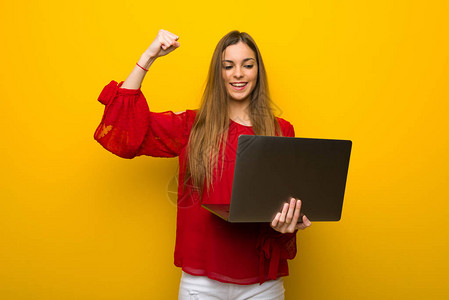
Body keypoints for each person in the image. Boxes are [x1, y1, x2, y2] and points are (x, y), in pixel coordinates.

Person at [94, 29, 311, 300]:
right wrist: (148, 57)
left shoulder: (281, 131)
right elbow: (122, 133)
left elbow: (282, 204)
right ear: (218, 74)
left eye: (247, 65)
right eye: (228, 66)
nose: (238, 74)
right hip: (201, 285)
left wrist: (287, 223)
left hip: (262, 284)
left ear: (258, 71)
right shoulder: (192, 126)